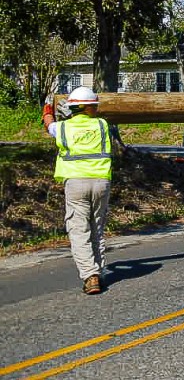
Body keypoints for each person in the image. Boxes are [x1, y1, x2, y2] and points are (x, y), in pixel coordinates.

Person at [42, 87, 112, 295]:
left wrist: (47, 108)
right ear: (91, 107)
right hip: (100, 181)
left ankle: (90, 276)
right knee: (96, 228)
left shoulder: (63, 128)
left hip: (75, 183)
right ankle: (98, 272)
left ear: (73, 107)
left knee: (79, 230)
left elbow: (49, 125)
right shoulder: (102, 125)